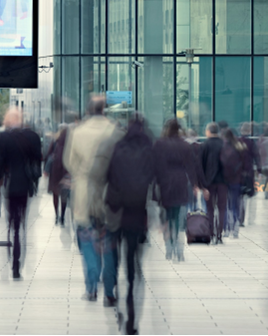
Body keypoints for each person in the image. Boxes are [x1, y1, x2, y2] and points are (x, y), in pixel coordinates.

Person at [63, 95, 124, 304]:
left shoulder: (77, 132)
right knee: (108, 241)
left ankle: (91, 286)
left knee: (87, 238)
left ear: (88, 111)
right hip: (109, 193)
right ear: (104, 110)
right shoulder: (115, 131)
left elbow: (69, 162)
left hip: (83, 192)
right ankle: (109, 290)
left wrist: (82, 175)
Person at [105, 115, 155, 335]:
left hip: (119, 209)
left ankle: (118, 293)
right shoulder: (148, 148)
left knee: (117, 251)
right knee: (134, 259)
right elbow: (154, 177)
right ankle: (132, 318)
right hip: (138, 210)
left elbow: (110, 175)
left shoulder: (118, 147)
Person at [0, 108, 40, 280]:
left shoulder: (4, 138)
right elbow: (37, 159)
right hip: (25, 185)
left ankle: (13, 260)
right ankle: (18, 263)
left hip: (11, 185)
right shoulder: (31, 137)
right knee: (22, 223)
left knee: (12, 224)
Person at [154, 119, 200, 261]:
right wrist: (194, 184)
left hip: (165, 183)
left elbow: (154, 165)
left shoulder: (159, 144)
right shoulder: (185, 146)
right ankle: (180, 251)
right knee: (180, 220)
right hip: (181, 183)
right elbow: (190, 167)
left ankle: (169, 248)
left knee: (167, 218)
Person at [200, 122, 227, 244]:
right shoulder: (224, 144)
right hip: (223, 182)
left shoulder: (205, 145)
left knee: (210, 209)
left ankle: (210, 233)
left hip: (209, 183)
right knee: (221, 208)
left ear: (208, 131)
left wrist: (201, 184)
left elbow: (200, 165)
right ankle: (219, 234)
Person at [221, 128, 247, 238]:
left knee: (226, 205)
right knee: (235, 204)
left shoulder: (222, 147)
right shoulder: (240, 147)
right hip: (237, 180)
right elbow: (245, 165)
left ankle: (227, 228)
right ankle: (236, 228)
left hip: (224, 179)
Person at [46, 125, 70, 226]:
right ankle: (63, 217)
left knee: (55, 194)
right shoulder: (70, 143)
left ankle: (56, 215)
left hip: (55, 171)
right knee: (63, 195)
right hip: (65, 171)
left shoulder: (55, 141)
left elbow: (48, 154)